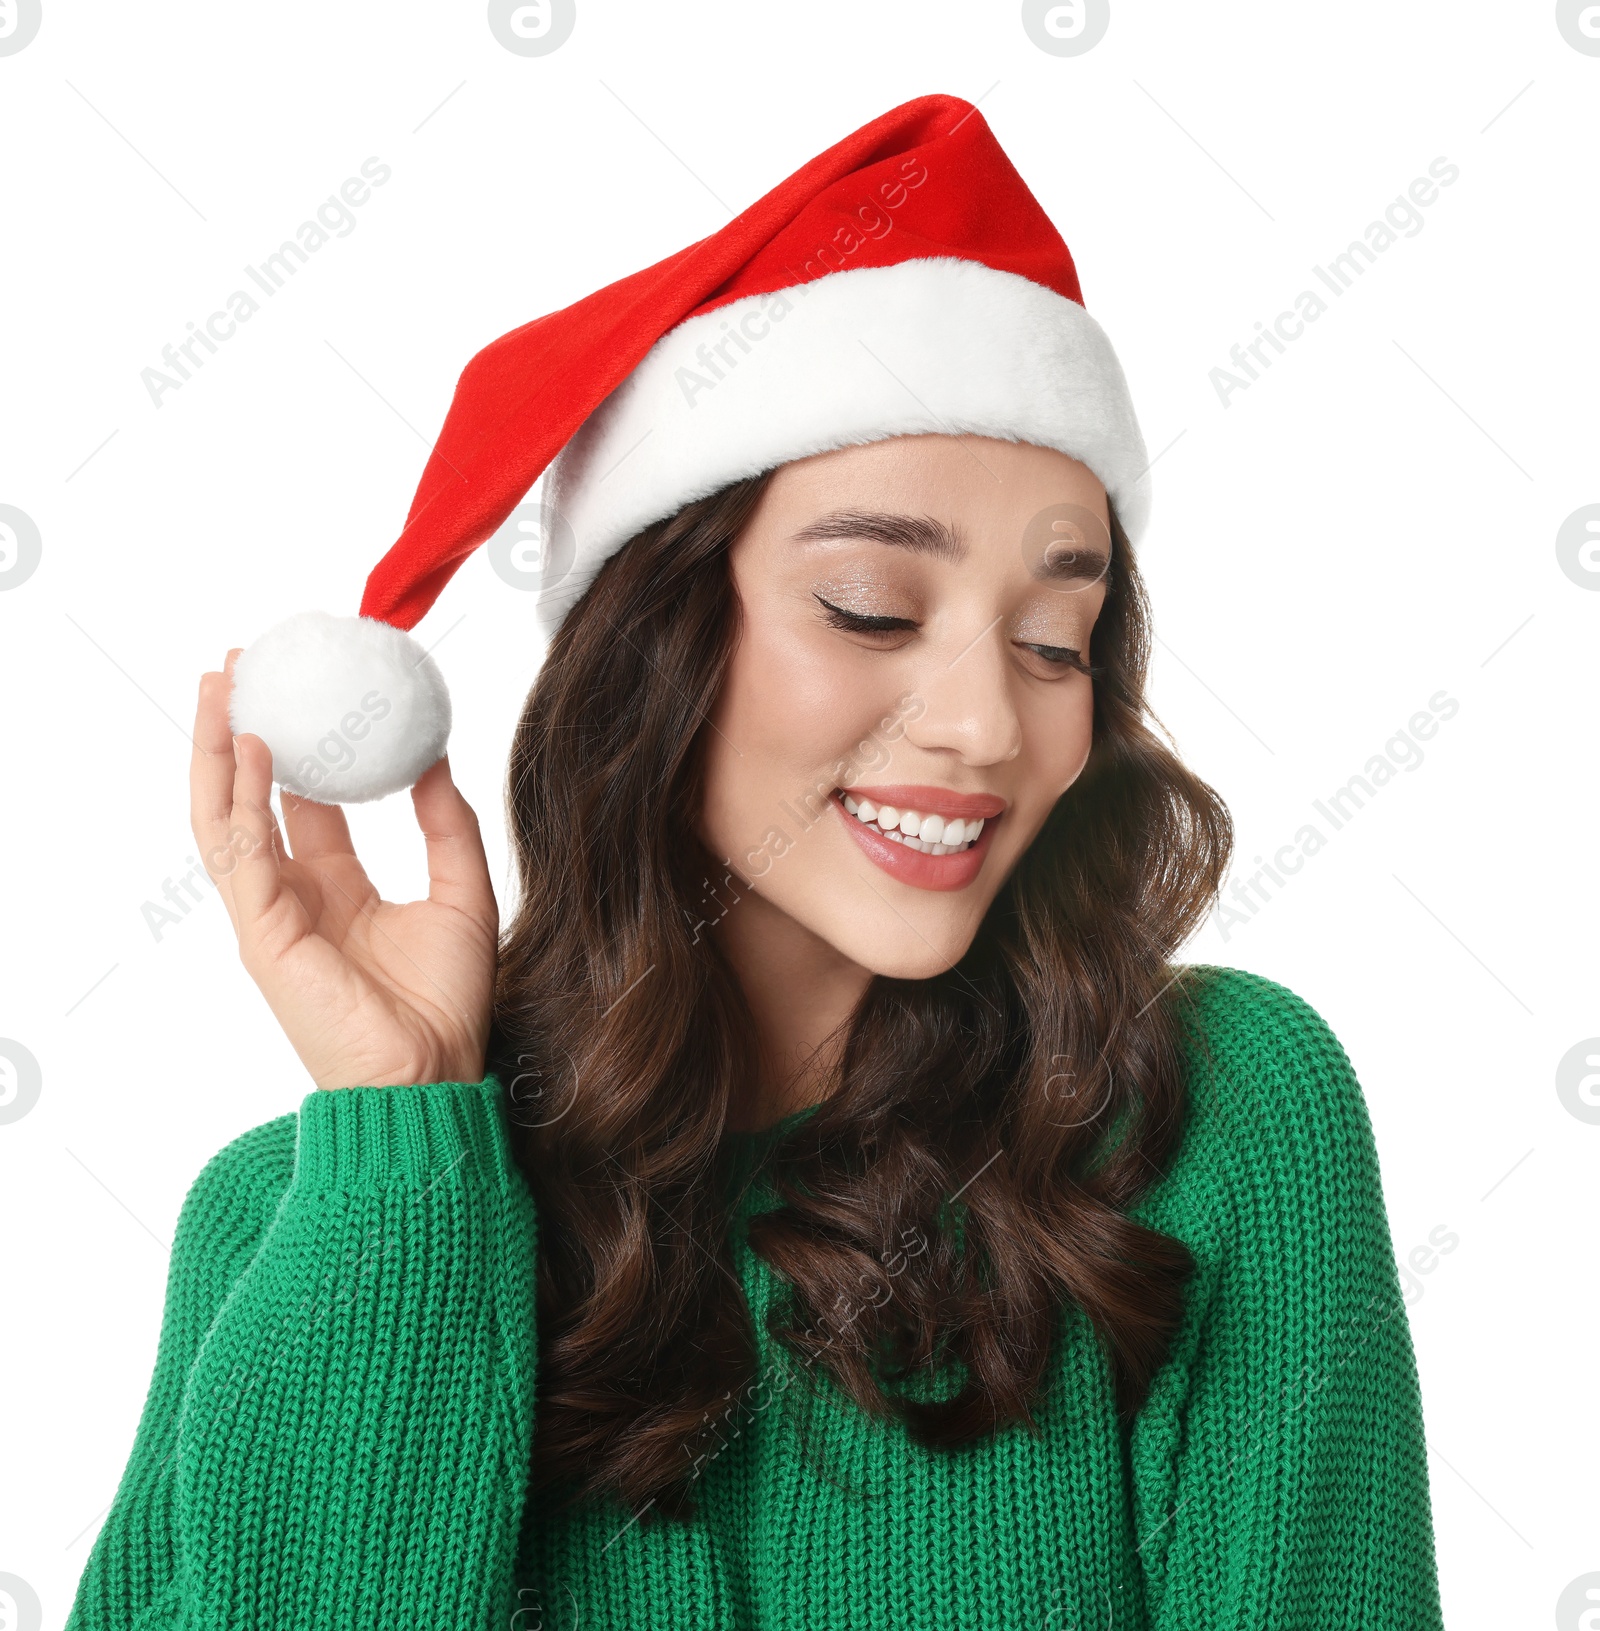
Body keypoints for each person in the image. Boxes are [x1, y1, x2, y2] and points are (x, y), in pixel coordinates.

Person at [66, 95, 1444, 1629]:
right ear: (658, 645)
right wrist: (404, 1153)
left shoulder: (1214, 1123)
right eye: (869, 608)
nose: (988, 721)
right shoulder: (292, 1222)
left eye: (1056, 637)